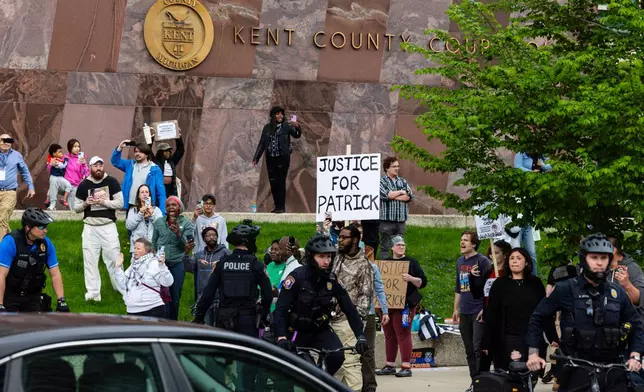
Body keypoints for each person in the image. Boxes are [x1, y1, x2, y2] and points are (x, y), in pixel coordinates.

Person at [526, 234, 644, 392]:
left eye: (604, 257)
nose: (599, 262)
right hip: (577, 368)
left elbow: (636, 324)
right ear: (584, 259)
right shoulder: (566, 288)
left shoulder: (617, 292)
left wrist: (635, 355)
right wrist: (533, 353)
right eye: (594, 257)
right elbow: (538, 318)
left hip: (613, 370)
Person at [273, 234, 368, 378]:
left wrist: (360, 336)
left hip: (319, 329)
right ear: (311, 257)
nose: (326, 261)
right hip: (295, 331)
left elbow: (349, 308)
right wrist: (281, 337)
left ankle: (321, 382)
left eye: (329, 257)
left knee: (337, 356)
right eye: (322, 257)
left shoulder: (331, 280)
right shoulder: (297, 277)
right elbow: (280, 309)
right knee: (302, 368)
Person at [482, 247, 557, 371]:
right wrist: (486, 342)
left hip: (531, 338)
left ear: (526, 262)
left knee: (530, 375)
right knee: (509, 376)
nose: (514, 261)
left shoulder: (535, 283)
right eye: (511, 258)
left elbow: (544, 312)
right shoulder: (500, 284)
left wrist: (552, 336)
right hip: (507, 338)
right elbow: (491, 315)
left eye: (518, 258)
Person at [376, 235, 427, 379]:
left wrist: (411, 278)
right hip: (387, 305)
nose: (401, 247)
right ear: (392, 247)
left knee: (403, 334)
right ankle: (390, 365)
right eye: (398, 245)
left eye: (403, 245)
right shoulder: (385, 263)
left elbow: (423, 282)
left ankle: (406, 366)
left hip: (404, 305)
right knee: (389, 335)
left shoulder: (411, 262)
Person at [74, 156, 124, 301]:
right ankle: (93, 295)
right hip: (90, 227)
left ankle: (121, 289)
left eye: (101, 165)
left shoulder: (112, 182)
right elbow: (75, 208)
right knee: (90, 261)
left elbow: (120, 203)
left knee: (114, 259)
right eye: (95, 166)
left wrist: (105, 202)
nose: (99, 168)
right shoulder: (84, 185)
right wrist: (85, 204)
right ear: (90, 168)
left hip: (108, 226)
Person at [0, 208, 68, 313]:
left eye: (46, 227)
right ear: (28, 227)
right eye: (41, 227)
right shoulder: (10, 242)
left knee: (35, 327)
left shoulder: (46, 244)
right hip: (10, 296)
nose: (45, 230)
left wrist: (61, 300)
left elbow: (55, 274)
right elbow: (1, 275)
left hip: (33, 296)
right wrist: (0, 305)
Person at [332, 225, 374, 391]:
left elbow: (366, 296)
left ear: (355, 240)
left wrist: (357, 323)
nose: (340, 240)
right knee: (335, 363)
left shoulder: (363, 265)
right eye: (339, 237)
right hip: (331, 319)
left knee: (351, 363)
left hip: (348, 323)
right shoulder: (337, 257)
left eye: (344, 237)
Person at [453, 231, 491, 389]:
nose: (462, 243)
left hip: (478, 310)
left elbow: (489, 287)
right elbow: (458, 287)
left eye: (466, 240)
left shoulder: (483, 261)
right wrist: (455, 309)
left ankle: (482, 381)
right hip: (465, 310)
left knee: (477, 348)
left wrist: (486, 308)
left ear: (474, 244)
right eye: (461, 240)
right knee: (469, 349)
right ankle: (474, 381)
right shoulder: (460, 261)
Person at [469, 239, 512, 373]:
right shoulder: (489, 272)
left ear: (505, 255)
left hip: (504, 318)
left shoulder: (509, 274)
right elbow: (478, 294)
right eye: (490, 253)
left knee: (500, 353)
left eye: (496, 253)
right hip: (488, 316)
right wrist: (472, 277)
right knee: (483, 350)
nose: (491, 256)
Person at [252, 106, 302, 213]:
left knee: (280, 182)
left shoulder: (286, 127)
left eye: (281, 114)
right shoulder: (267, 128)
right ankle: (277, 206)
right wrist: (256, 158)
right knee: (273, 182)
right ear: (273, 115)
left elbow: (297, 135)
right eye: (278, 114)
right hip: (271, 159)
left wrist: (297, 126)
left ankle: (281, 207)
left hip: (282, 159)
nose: (280, 116)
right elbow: (262, 144)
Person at [152, 196, 194, 320]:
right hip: (161, 264)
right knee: (161, 297)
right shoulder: (159, 222)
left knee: (174, 297)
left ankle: (173, 323)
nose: (171, 207)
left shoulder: (186, 223)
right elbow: (154, 242)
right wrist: (154, 258)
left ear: (179, 208)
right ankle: (162, 323)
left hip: (177, 264)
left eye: (173, 205)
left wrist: (178, 234)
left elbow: (187, 246)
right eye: (168, 205)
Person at [113, 238, 174, 317]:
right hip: (132, 310)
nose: (135, 251)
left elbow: (168, 282)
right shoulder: (134, 265)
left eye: (138, 249)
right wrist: (118, 268)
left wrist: (162, 266)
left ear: (147, 250)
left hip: (152, 310)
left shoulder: (154, 263)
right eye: (134, 248)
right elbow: (123, 285)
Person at [183, 226, 231, 325]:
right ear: (204, 239)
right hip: (204, 299)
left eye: (214, 235)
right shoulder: (199, 255)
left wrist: (221, 263)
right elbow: (188, 268)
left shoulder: (226, 253)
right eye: (208, 235)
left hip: (222, 299)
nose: (212, 237)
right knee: (207, 328)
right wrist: (186, 253)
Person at [514, 152, 552, 273]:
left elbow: (551, 166)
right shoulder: (520, 154)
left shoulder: (540, 155)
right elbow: (517, 168)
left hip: (536, 193)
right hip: (522, 193)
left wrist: (542, 165)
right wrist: (531, 173)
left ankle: (533, 280)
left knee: (532, 254)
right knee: (516, 252)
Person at [111, 139, 166, 214]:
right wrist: (120, 147)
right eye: (136, 152)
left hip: (146, 205)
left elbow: (161, 192)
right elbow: (115, 162)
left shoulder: (155, 169)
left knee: (145, 225)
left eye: (140, 152)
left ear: (147, 154)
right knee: (130, 225)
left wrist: (163, 211)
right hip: (130, 204)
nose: (137, 154)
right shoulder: (130, 165)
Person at [0, 134, 35, 238]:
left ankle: (1, 249)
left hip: (9, 192)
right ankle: (13, 240)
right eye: (3, 140)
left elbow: (25, 171)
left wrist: (31, 187)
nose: (6, 143)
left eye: (9, 140)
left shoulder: (17, 155)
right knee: (3, 220)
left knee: (2, 218)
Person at [378, 156, 413, 259]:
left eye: (398, 166)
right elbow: (385, 195)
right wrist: (401, 192)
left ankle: (397, 270)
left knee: (400, 247)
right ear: (387, 168)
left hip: (401, 221)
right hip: (387, 220)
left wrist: (394, 196)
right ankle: (384, 271)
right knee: (385, 247)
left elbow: (409, 196)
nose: (397, 168)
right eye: (394, 166)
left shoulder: (403, 181)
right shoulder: (382, 181)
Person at [125, 184, 163, 257]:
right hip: (137, 247)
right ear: (138, 196)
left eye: (147, 192)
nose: (144, 194)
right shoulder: (133, 210)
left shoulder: (156, 210)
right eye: (142, 192)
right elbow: (129, 226)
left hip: (152, 247)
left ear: (150, 195)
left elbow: (161, 227)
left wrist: (152, 215)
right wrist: (140, 214)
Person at [266, 236, 302, 309]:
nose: (279, 252)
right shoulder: (288, 267)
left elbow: (290, 297)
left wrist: (277, 292)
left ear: (293, 250)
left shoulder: (295, 269)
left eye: (281, 249)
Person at [63, 139, 89, 211]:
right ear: (70, 147)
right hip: (65, 183)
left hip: (76, 185)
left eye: (78, 146)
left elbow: (86, 173)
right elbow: (57, 168)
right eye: (75, 146)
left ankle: (72, 213)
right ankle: (50, 203)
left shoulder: (81, 158)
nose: (77, 148)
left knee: (73, 191)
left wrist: (84, 164)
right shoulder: (65, 157)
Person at [45, 143, 73, 210]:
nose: (61, 153)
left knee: (69, 185)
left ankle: (64, 199)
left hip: (60, 178)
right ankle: (52, 205)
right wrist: (66, 160)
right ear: (54, 153)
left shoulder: (59, 159)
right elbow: (62, 166)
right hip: (54, 177)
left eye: (61, 152)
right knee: (53, 190)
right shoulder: (53, 160)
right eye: (59, 152)